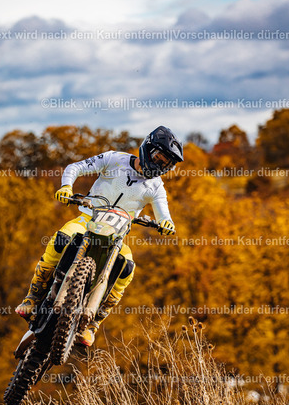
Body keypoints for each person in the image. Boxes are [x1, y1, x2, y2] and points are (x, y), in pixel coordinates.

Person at [15, 125, 184, 346]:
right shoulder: (115, 159)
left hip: (117, 235)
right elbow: (75, 167)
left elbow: (164, 214)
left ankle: (93, 323)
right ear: (147, 148)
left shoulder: (156, 187)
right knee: (61, 239)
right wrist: (66, 187)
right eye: (159, 158)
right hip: (87, 220)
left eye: (166, 164)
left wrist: (166, 223)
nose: (160, 166)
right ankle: (33, 296)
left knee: (127, 268)